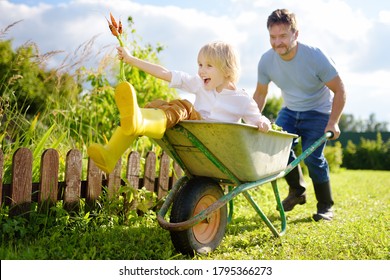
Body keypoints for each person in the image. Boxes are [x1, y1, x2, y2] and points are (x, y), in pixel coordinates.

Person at [88, 41, 271, 174]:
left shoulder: (242, 99)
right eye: (200, 65)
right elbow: (165, 73)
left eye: (208, 66)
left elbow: (257, 119)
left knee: (183, 106)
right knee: (155, 107)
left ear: (227, 70)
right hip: (195, 139)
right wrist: (131, 59)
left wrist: (264, 123)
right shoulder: (200, 84)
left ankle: (142, 122)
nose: (201, 70)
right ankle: (111, 153)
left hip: (215, 146)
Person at [254, 9, 346, 221]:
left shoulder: (315, 56)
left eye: (283, 36)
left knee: (313, 157)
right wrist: (252, 119)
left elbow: (340, 89)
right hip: (290, 111)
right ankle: (297, 190)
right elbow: (260, 94)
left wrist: (334, 122)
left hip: (319, 112)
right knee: (278, 151)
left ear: (296, 34)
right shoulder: (266, 61)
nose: (278, 43)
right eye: (273, 37)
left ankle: (325, 206)